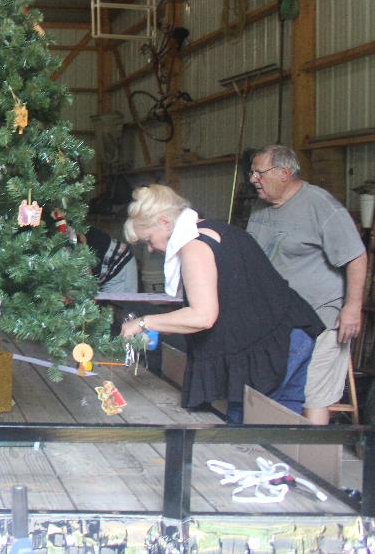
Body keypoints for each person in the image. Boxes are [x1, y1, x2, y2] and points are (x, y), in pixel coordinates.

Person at [120, 184, 324, 423]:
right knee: (284, 436)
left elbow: (202, 316)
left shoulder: (194, 246)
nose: (151, 249)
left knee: (246, 435)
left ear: (164, 222)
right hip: (292, 333)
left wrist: (144, 322)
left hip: (271, 349)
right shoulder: (215, 228)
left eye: (149, 240)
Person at [246, 145, 368, 425]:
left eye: (259, 172)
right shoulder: (260, 207)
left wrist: (352, 307)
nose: (253, 178)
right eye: (251, 172)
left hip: (321, 317)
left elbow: (356, 256)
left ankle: (312, 462)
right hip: (276, 319)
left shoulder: (320, 206)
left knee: (314, 394)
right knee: (277, 390)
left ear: (284, 174)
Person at [80, 226, 138, 294]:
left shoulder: (75, 235)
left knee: (122, 302)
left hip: (119, 264)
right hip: (104, 266)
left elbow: (87, 279)